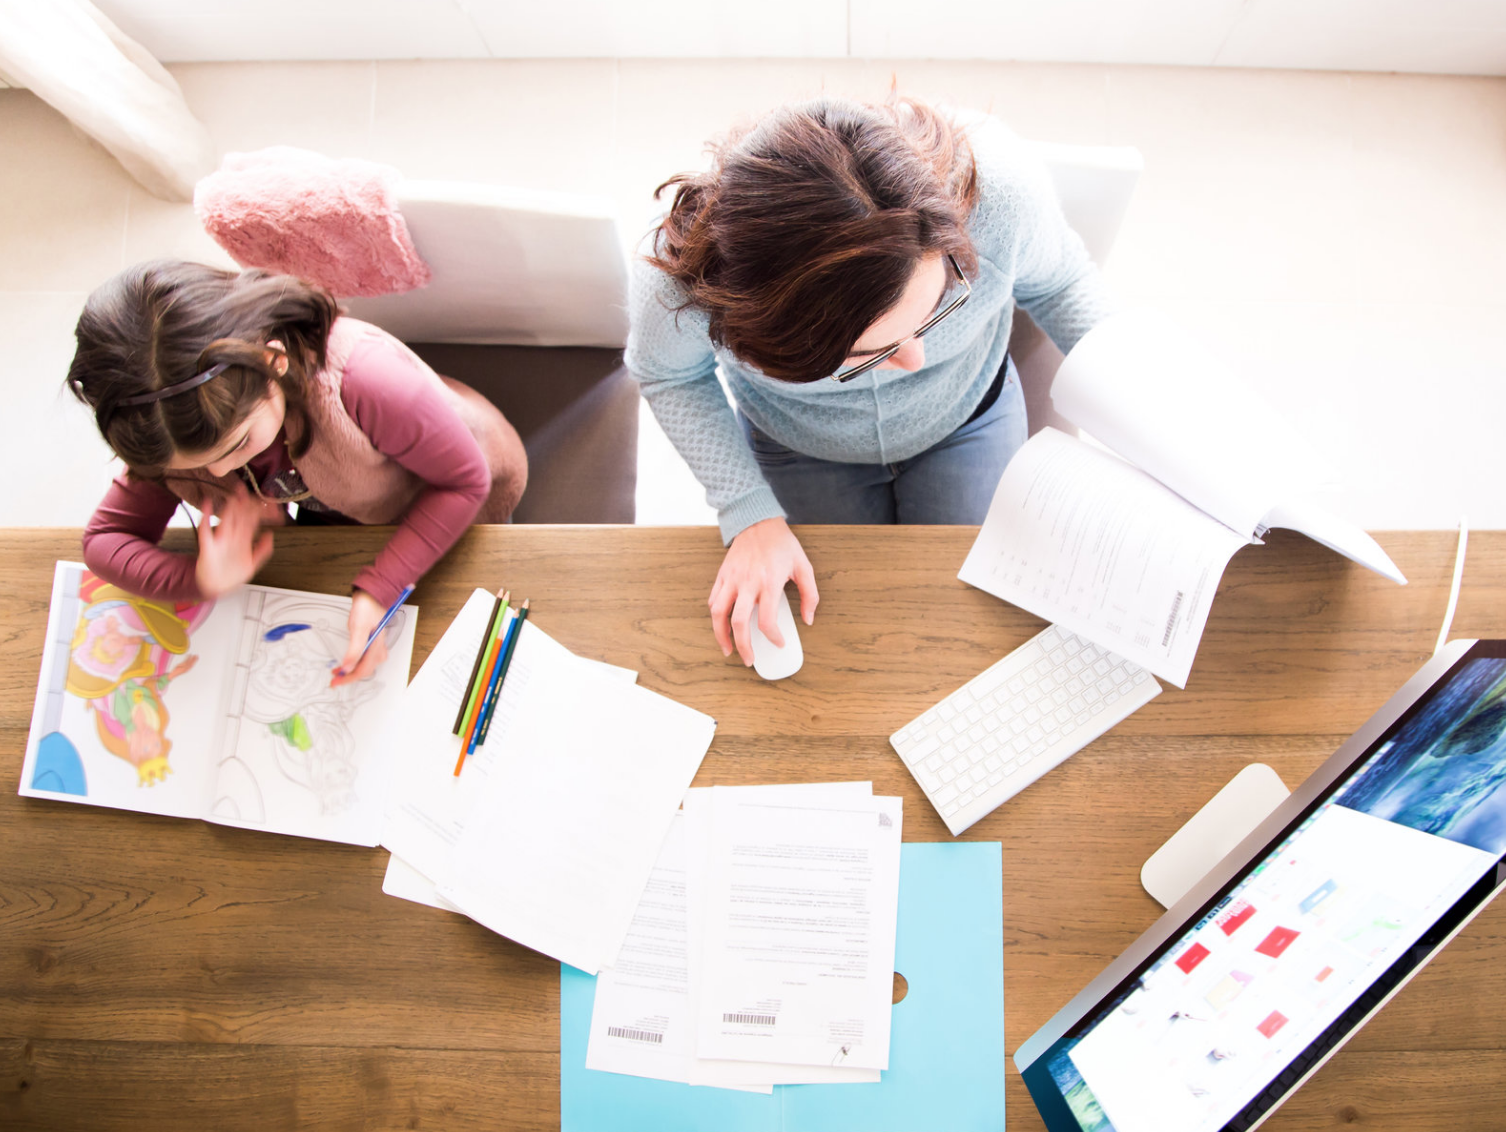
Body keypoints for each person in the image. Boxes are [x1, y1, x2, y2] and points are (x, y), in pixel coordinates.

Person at [627, 94, 1113, 665]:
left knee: (976, 615)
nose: (916, 361)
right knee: (846, 626)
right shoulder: (681, 287)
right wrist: (748, 511)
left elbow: (1062, 287)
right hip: (800, 446)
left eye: (933, 310)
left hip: (966, 419)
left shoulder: (1001, 192)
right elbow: (667, 374)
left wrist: (1147, 425)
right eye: (864, 354)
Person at [67, 260, 527, 684]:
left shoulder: (363, 379)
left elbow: (465, 480)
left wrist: (380, 588)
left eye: (238, 445)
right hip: (340, 522)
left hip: (453, 487)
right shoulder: (173, 424)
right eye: (190, 468)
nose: (221, 471)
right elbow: (105, 542)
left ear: (273, 363)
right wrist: (199, 578)